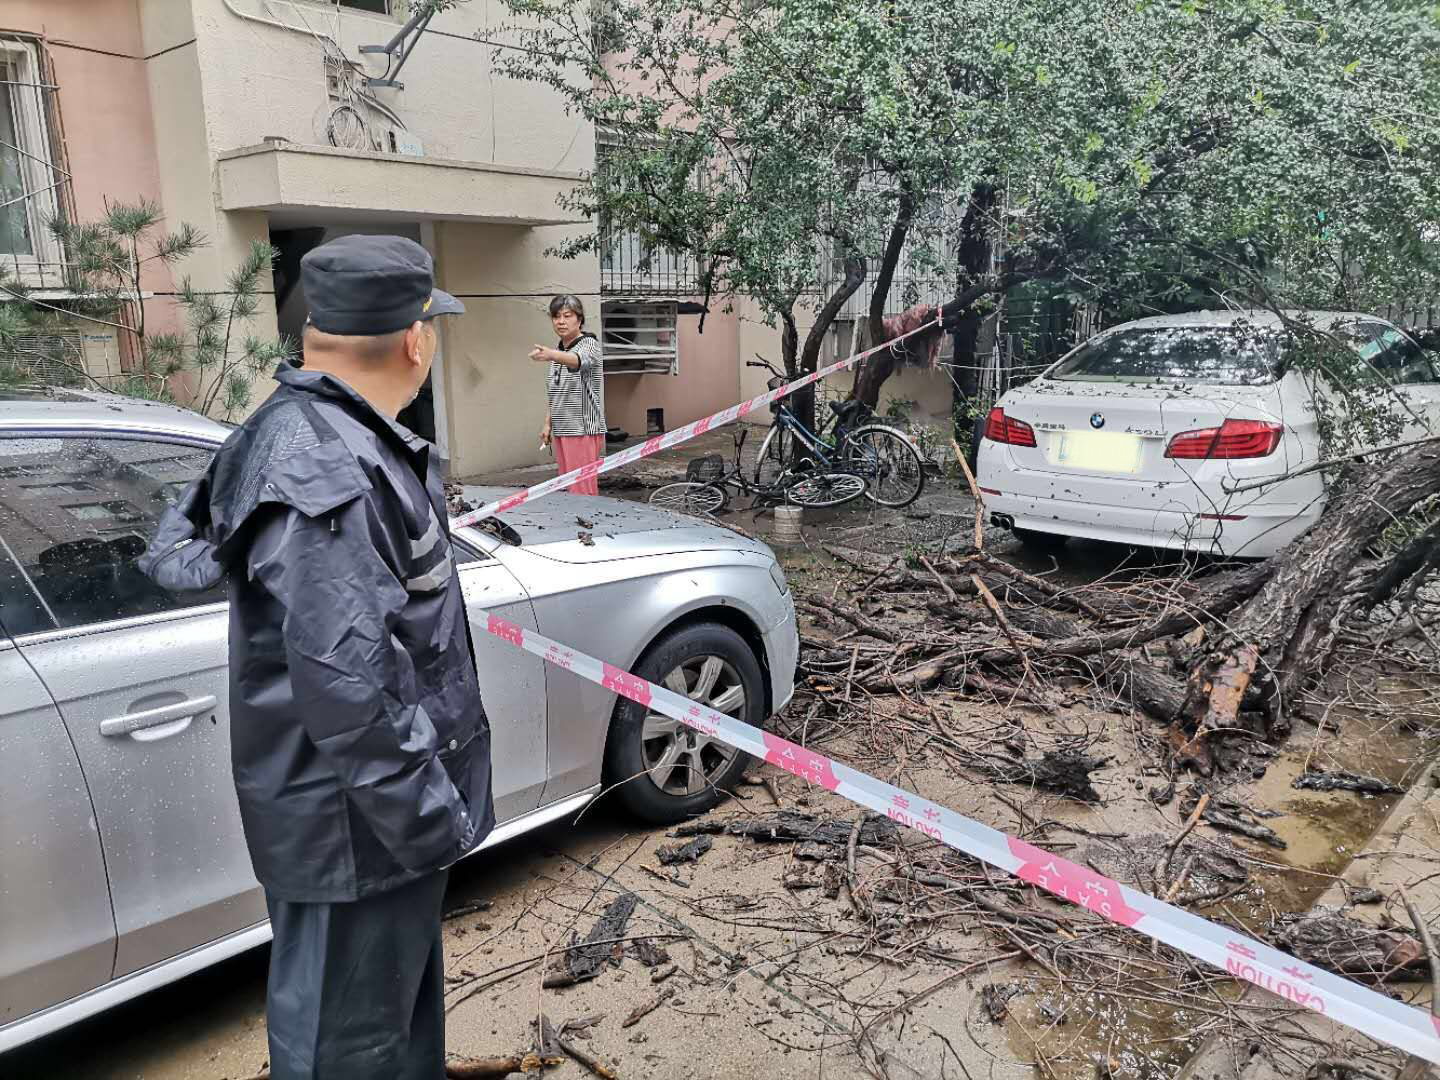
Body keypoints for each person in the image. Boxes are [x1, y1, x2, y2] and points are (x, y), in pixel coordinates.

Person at [139, 234, 493, 1080]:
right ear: (417, 340)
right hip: (359, 835)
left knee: (393, 1041)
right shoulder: (322, 465)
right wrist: (430, 819)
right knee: (348, 1052)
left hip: (368, 826)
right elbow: (351, 686)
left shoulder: (319, 434)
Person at [531, 294, 605, 494]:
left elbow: (579, 360)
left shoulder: (588, 344)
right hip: (563, 429)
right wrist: (548, 423)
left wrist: (551, 354)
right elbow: (556, 392)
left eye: (567, 315)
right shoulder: (560, 351)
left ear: (579, 319)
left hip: (581, 428)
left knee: (582, 489)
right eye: (556, 317)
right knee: (569, 487)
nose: (561, 321)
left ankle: (590, 524)